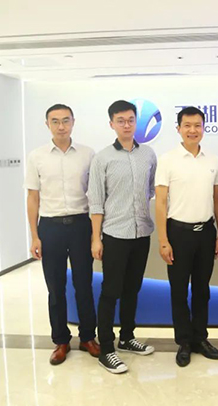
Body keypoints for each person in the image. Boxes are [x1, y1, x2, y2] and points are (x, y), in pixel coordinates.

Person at [25, 104, 100, 365]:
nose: (61, 126)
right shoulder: (37, 156)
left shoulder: (88, 154)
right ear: (47, 124)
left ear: (73, 122)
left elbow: (95, 195)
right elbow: (33, 198)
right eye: (55, 121)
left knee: (84, 284)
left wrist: (96, 235)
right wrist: (35, 235)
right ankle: (61, 341)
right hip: (51, 227)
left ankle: (88, 337)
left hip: (80, 224)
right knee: (55, 287)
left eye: (65, 120)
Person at [88, 100, 157, 374]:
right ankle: (106, 348)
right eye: (121, 120)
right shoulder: (102, 158)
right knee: (110, 292)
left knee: (132, 289)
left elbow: (150, 190)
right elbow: (96, 201)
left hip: (142, 233)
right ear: (112, 124)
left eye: (130, 120)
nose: (126, 125)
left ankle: (127, 337)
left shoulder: (148, 154)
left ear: (136, 122)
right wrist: (96, 239)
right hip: (115, 234)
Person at [155, 106, 218, 367]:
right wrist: (163, 240)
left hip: (206, 233)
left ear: (203, 128)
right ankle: (183, 341)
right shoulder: (168, 160)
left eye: (197, 125)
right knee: (178, 290)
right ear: (179, 129)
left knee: (202, 290)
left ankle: (200, 339)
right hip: (178, 234)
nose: (193, 130)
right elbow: (160, 202)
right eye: (187, 125)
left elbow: (217, 200)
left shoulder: (213, 160)